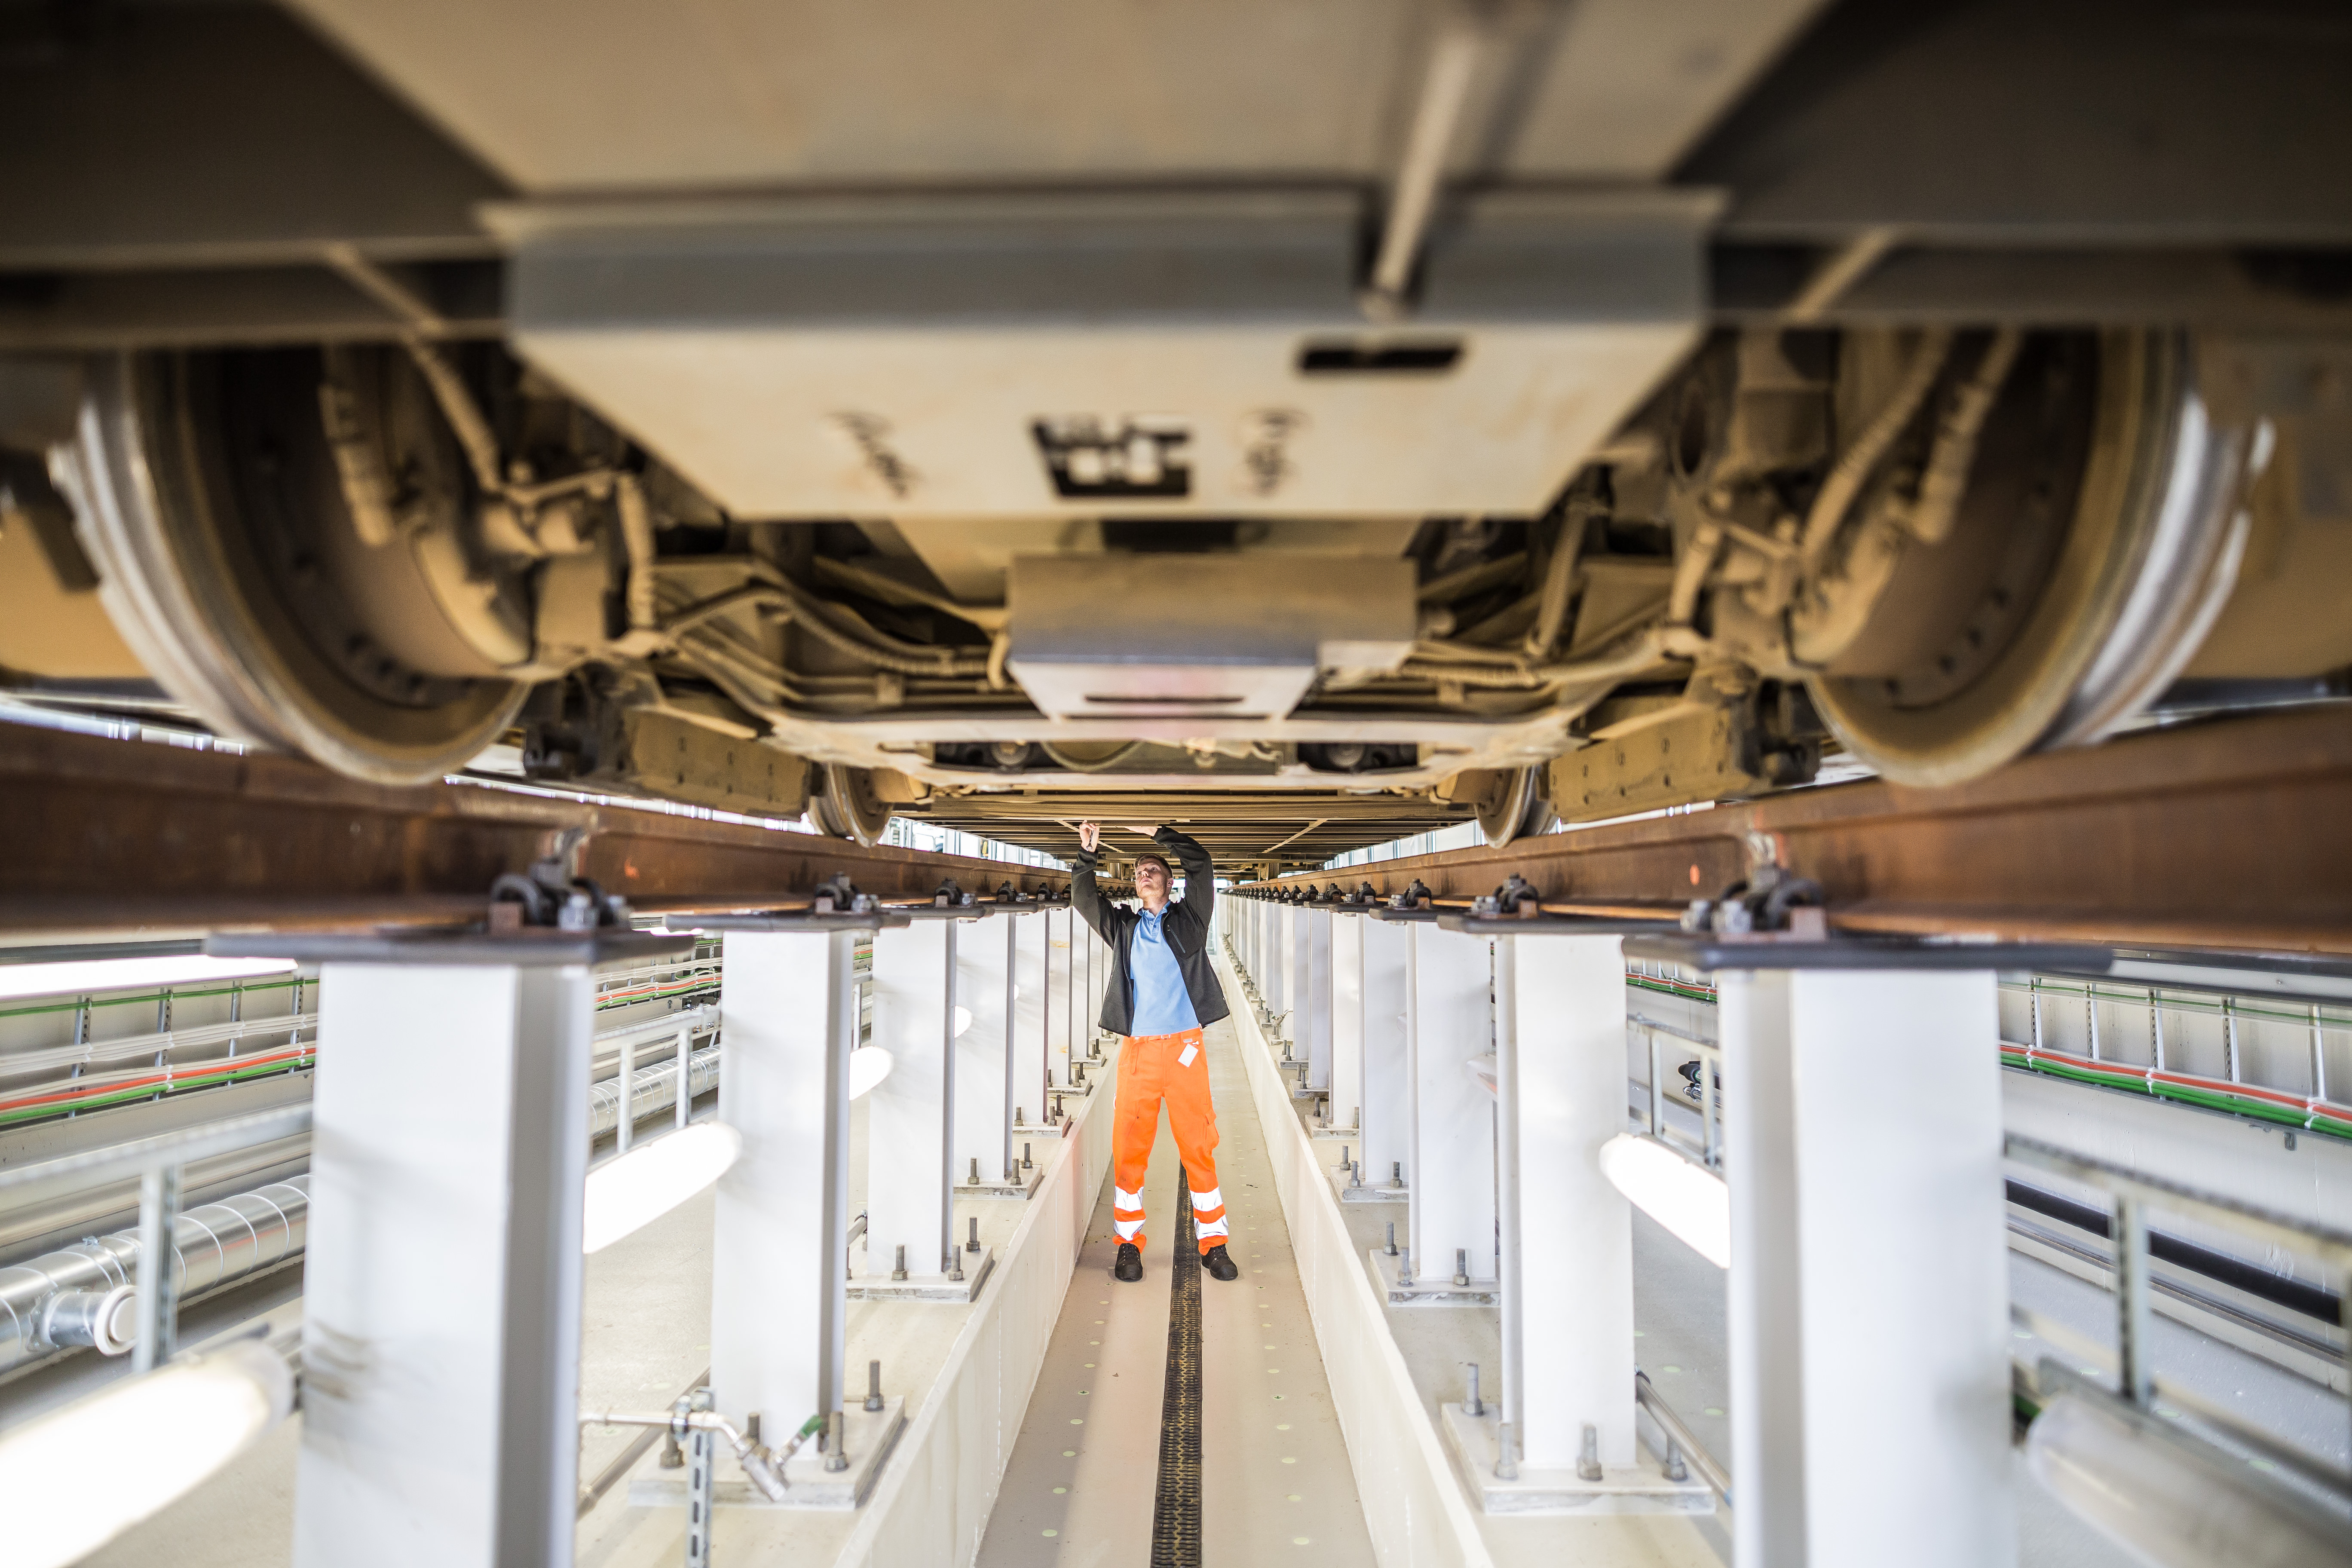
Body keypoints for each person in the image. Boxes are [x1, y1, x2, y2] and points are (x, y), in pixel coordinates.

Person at [1070, 819, 1239, 1284]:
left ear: (1169, 882)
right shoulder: (1124, 928)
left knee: (1199, 1146)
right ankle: (1128, 1247)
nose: (1144, 874)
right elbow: (1083, 899)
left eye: (1153, 870)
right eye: (1140, 871)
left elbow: (1202, 864)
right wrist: (1087, 854)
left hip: (1185, 1049)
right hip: (1140, 1054)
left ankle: (1215, 1245)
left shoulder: (1190, 921)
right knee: (1129, 1151)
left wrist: (1156, 833)